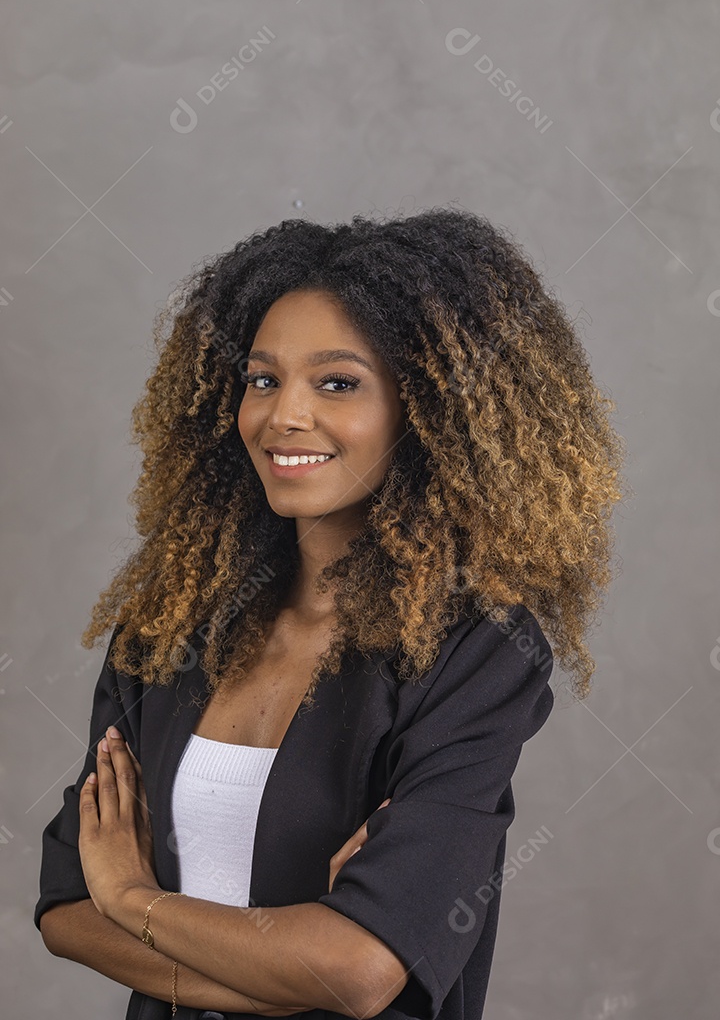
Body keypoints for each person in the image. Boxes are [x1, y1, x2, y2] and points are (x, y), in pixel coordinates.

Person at [34, 207, 629, 1019]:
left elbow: (358, 969)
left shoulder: (475, 651)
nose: (284, 416)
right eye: (263, 378)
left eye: (337, 383)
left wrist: (135, 899)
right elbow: (68, 907)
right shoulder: (173, 625)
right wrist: (275, 976)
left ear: (425, 412)